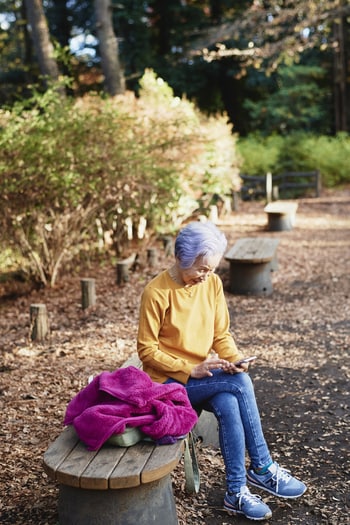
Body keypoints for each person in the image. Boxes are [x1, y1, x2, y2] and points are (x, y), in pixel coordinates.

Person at [137, 221, 306, 521]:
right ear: (180, 258)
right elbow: (147, 351)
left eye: (211, 269)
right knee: (239, 384)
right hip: (167, 385)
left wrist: (235, 357)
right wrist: (190, 368)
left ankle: (236, 492)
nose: (206, 276)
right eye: (201, 269)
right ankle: (263, 467)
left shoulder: (212, 284)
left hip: (203, 377)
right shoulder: (156, 292)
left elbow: (221, 335)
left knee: (230, 400)